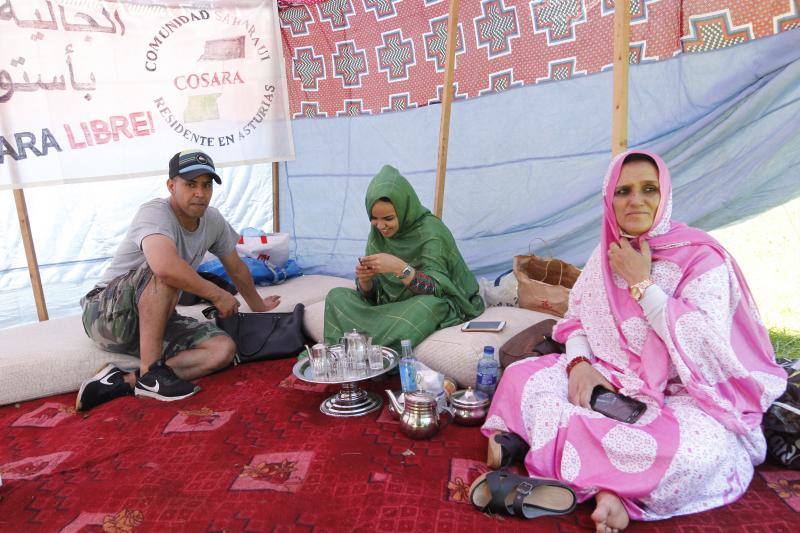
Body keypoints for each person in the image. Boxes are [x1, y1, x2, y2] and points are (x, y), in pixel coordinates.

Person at [473, 150, 787, 531]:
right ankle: (603, 475)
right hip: (607, 377)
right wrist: (579, 366)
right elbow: (576, 320)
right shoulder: (605, 253)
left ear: (664, 195)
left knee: (700, 451)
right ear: (609, 199)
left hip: (682, 395)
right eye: (623, 191)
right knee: (521, 377)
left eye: (648, 189)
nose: (636, 200)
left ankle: (599, 483)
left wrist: (642, 282)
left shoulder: (702, 259)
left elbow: (706, 348)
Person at [76, 149, 280, 411]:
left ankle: (124, 381)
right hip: (105, 316)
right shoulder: (154, 212)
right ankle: (151, 374)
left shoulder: (212, 220)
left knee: (222, 349)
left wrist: (258, 305)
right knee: (167, 270)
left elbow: (237, 268)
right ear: (171, 186)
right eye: (191, 184)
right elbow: (164, 268)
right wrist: (217, 294)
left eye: (206, 185)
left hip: (153, 319)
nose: (200, 193)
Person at [322, 165, 484, 351]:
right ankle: (363, 345)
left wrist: (400, 268)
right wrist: (366, 282)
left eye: (388, 219)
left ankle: (365, 348)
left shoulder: (431, 232)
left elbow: (437, 290)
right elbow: (374, 296)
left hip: (425, 301)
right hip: (389, 308)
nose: (381, 226)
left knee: (426, 307)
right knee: (337, 296)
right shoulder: (377, 235)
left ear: (404, 209)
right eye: (374, 218)